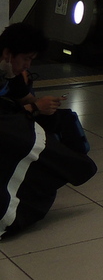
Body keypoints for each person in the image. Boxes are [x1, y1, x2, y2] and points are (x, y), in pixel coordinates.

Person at [0, 23, 96, 239]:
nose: (27, 65)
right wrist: (33, 108)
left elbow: (25, 99)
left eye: (31, 60)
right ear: (7, 53)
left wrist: (42, 105)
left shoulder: (12, 73)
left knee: (55, 122)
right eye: (25, 59)